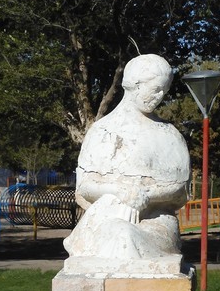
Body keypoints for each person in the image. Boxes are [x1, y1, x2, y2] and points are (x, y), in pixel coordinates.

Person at [64, 54, 190, 263]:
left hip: (156, 221)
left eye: (164, 91)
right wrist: (120, 192)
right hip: (108, 218)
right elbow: (85, 188)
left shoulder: (170, 135)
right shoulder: (102, 131)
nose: (160, 96)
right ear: (134, 84)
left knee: (126, 235)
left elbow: (180, 191)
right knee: (120, 233)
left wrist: (147, 195)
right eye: (156, 89)